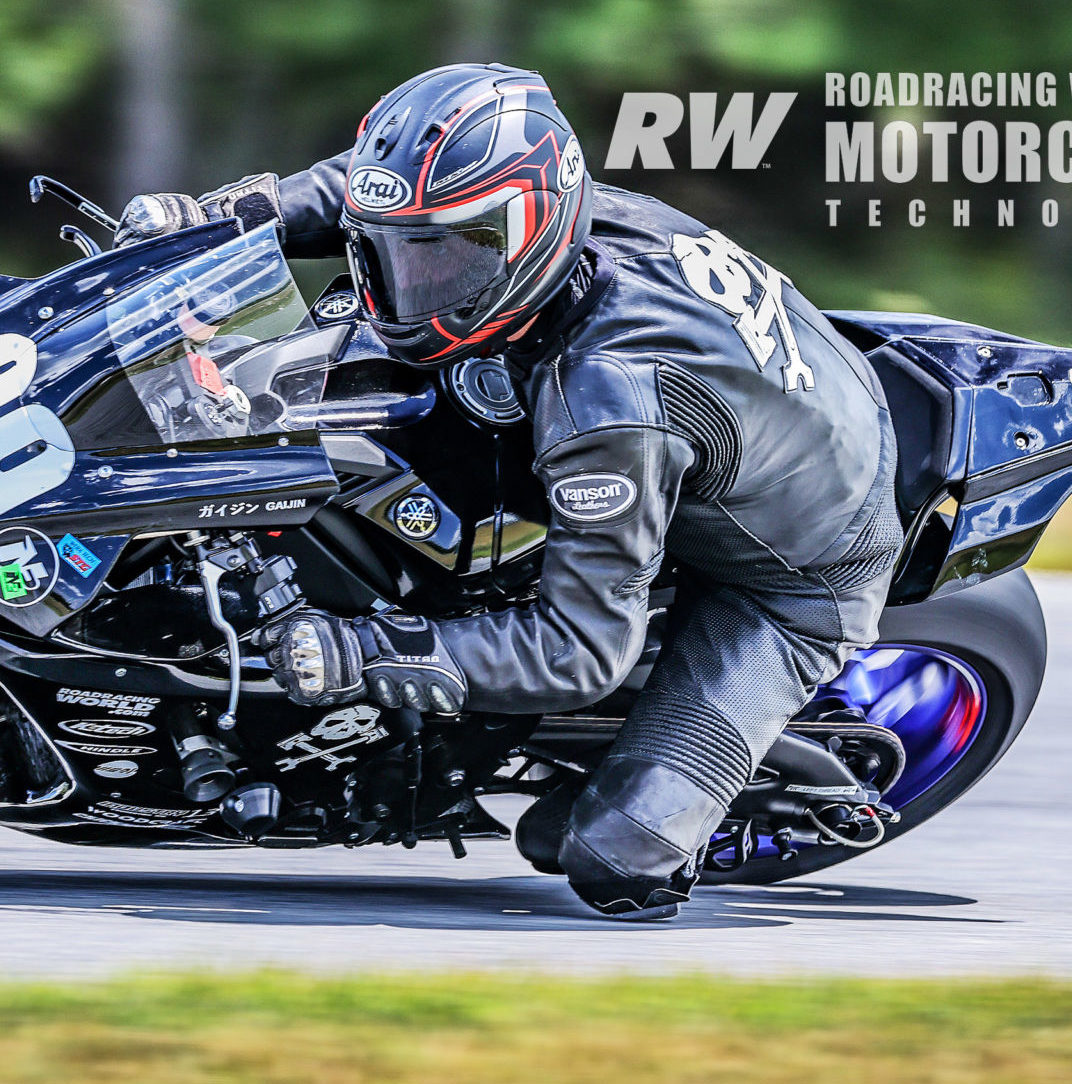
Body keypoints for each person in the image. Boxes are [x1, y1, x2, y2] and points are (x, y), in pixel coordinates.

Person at [118, 63, 902, 920]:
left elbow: (580, 647)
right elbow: (362, 192)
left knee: (608, 860)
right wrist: (216, 219)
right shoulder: (524, 205)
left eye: (447, 257)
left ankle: (693, 781)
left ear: (530, 231)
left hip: (797, 572)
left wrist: (374, 652)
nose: (406, 285)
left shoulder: (608, 398)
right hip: (756, 423)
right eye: (396, 250)